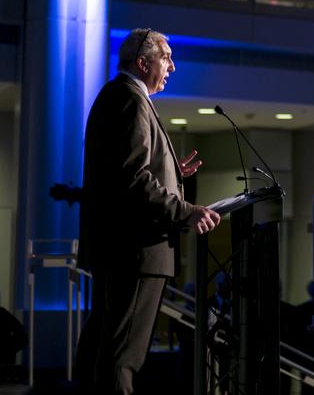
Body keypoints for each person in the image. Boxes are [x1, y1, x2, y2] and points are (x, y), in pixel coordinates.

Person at [77, 28, 222, 394]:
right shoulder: (130, 99)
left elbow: (126, 169)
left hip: (122, 249)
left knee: (106, 349)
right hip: (136, 251)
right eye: (166, 57)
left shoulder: (117, 96)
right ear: (143, 63)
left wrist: (172, 170)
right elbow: (133, 179)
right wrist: (186, 211)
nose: (172, 65)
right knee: (123, 355)